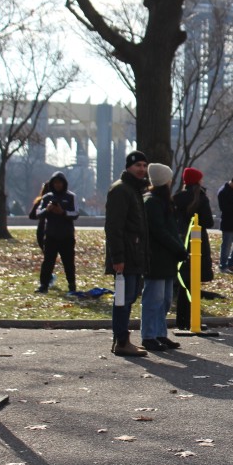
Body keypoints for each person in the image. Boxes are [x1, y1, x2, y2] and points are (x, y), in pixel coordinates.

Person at [105, 150, 150, 358]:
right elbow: (114, 227)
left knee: (128, 297)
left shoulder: (133, 189)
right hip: (126, 256)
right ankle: (121, 340)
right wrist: (118, 257)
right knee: (123, 298)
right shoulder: (121, 190)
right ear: (128, 167)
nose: (142, 169)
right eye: (137, 165)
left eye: (144, 165)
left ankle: (122, 339)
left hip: (134, 254)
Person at [141, 164, 187, 353]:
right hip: (156, 257)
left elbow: (170, 229)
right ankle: (148, 335)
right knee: (154, 299)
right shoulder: (152, 202)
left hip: (167, 257)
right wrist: (178, 248)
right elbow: (159, 231)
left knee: (165, 299)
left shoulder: (161, 201)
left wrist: (178, 248)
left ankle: (160, 333)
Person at [172, 167, 214, 330]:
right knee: (194, 282)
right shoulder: (201, 198)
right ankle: (192, 318)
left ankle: (181, 319)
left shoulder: (177, 198)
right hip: (197, 242)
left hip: (181, 241)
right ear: (198, 181)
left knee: (184, 281)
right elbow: (208, 222)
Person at [35, 171, 79, 294]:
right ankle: (43, 285)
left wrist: (63, 212)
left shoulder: (71, 197)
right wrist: (47, 209)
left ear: (64, 183)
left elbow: (76, 213)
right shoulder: (47, 197)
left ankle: (72, 285)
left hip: (66, 236)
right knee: (48, 262)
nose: (57, 185)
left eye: (60, 183)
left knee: (69, 262)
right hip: (51, 235)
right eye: (55, 183)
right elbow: (38, 213)